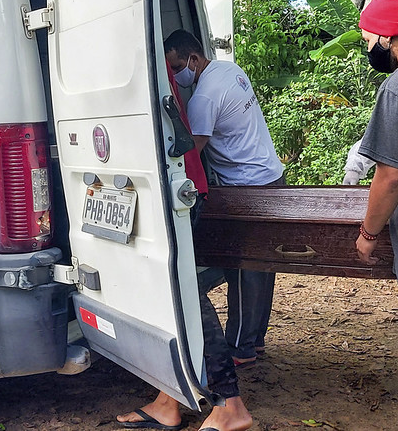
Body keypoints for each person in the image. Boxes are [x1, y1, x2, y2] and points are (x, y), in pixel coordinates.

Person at [117, 29, 283, 430]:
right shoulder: (229, 69)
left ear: (192, 59)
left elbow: (192, 149)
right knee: (255, 270)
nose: (176, 74)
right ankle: (237, 352)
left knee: (237, 272)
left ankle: (237, 362)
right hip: (266, 174)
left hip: (246, 184)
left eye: (177, 67)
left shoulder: (204, 95)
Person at [353, 0, 398, 388]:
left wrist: (368, 232)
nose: (367, 48)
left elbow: (390, 175)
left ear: (385, 35)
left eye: (366, 39)